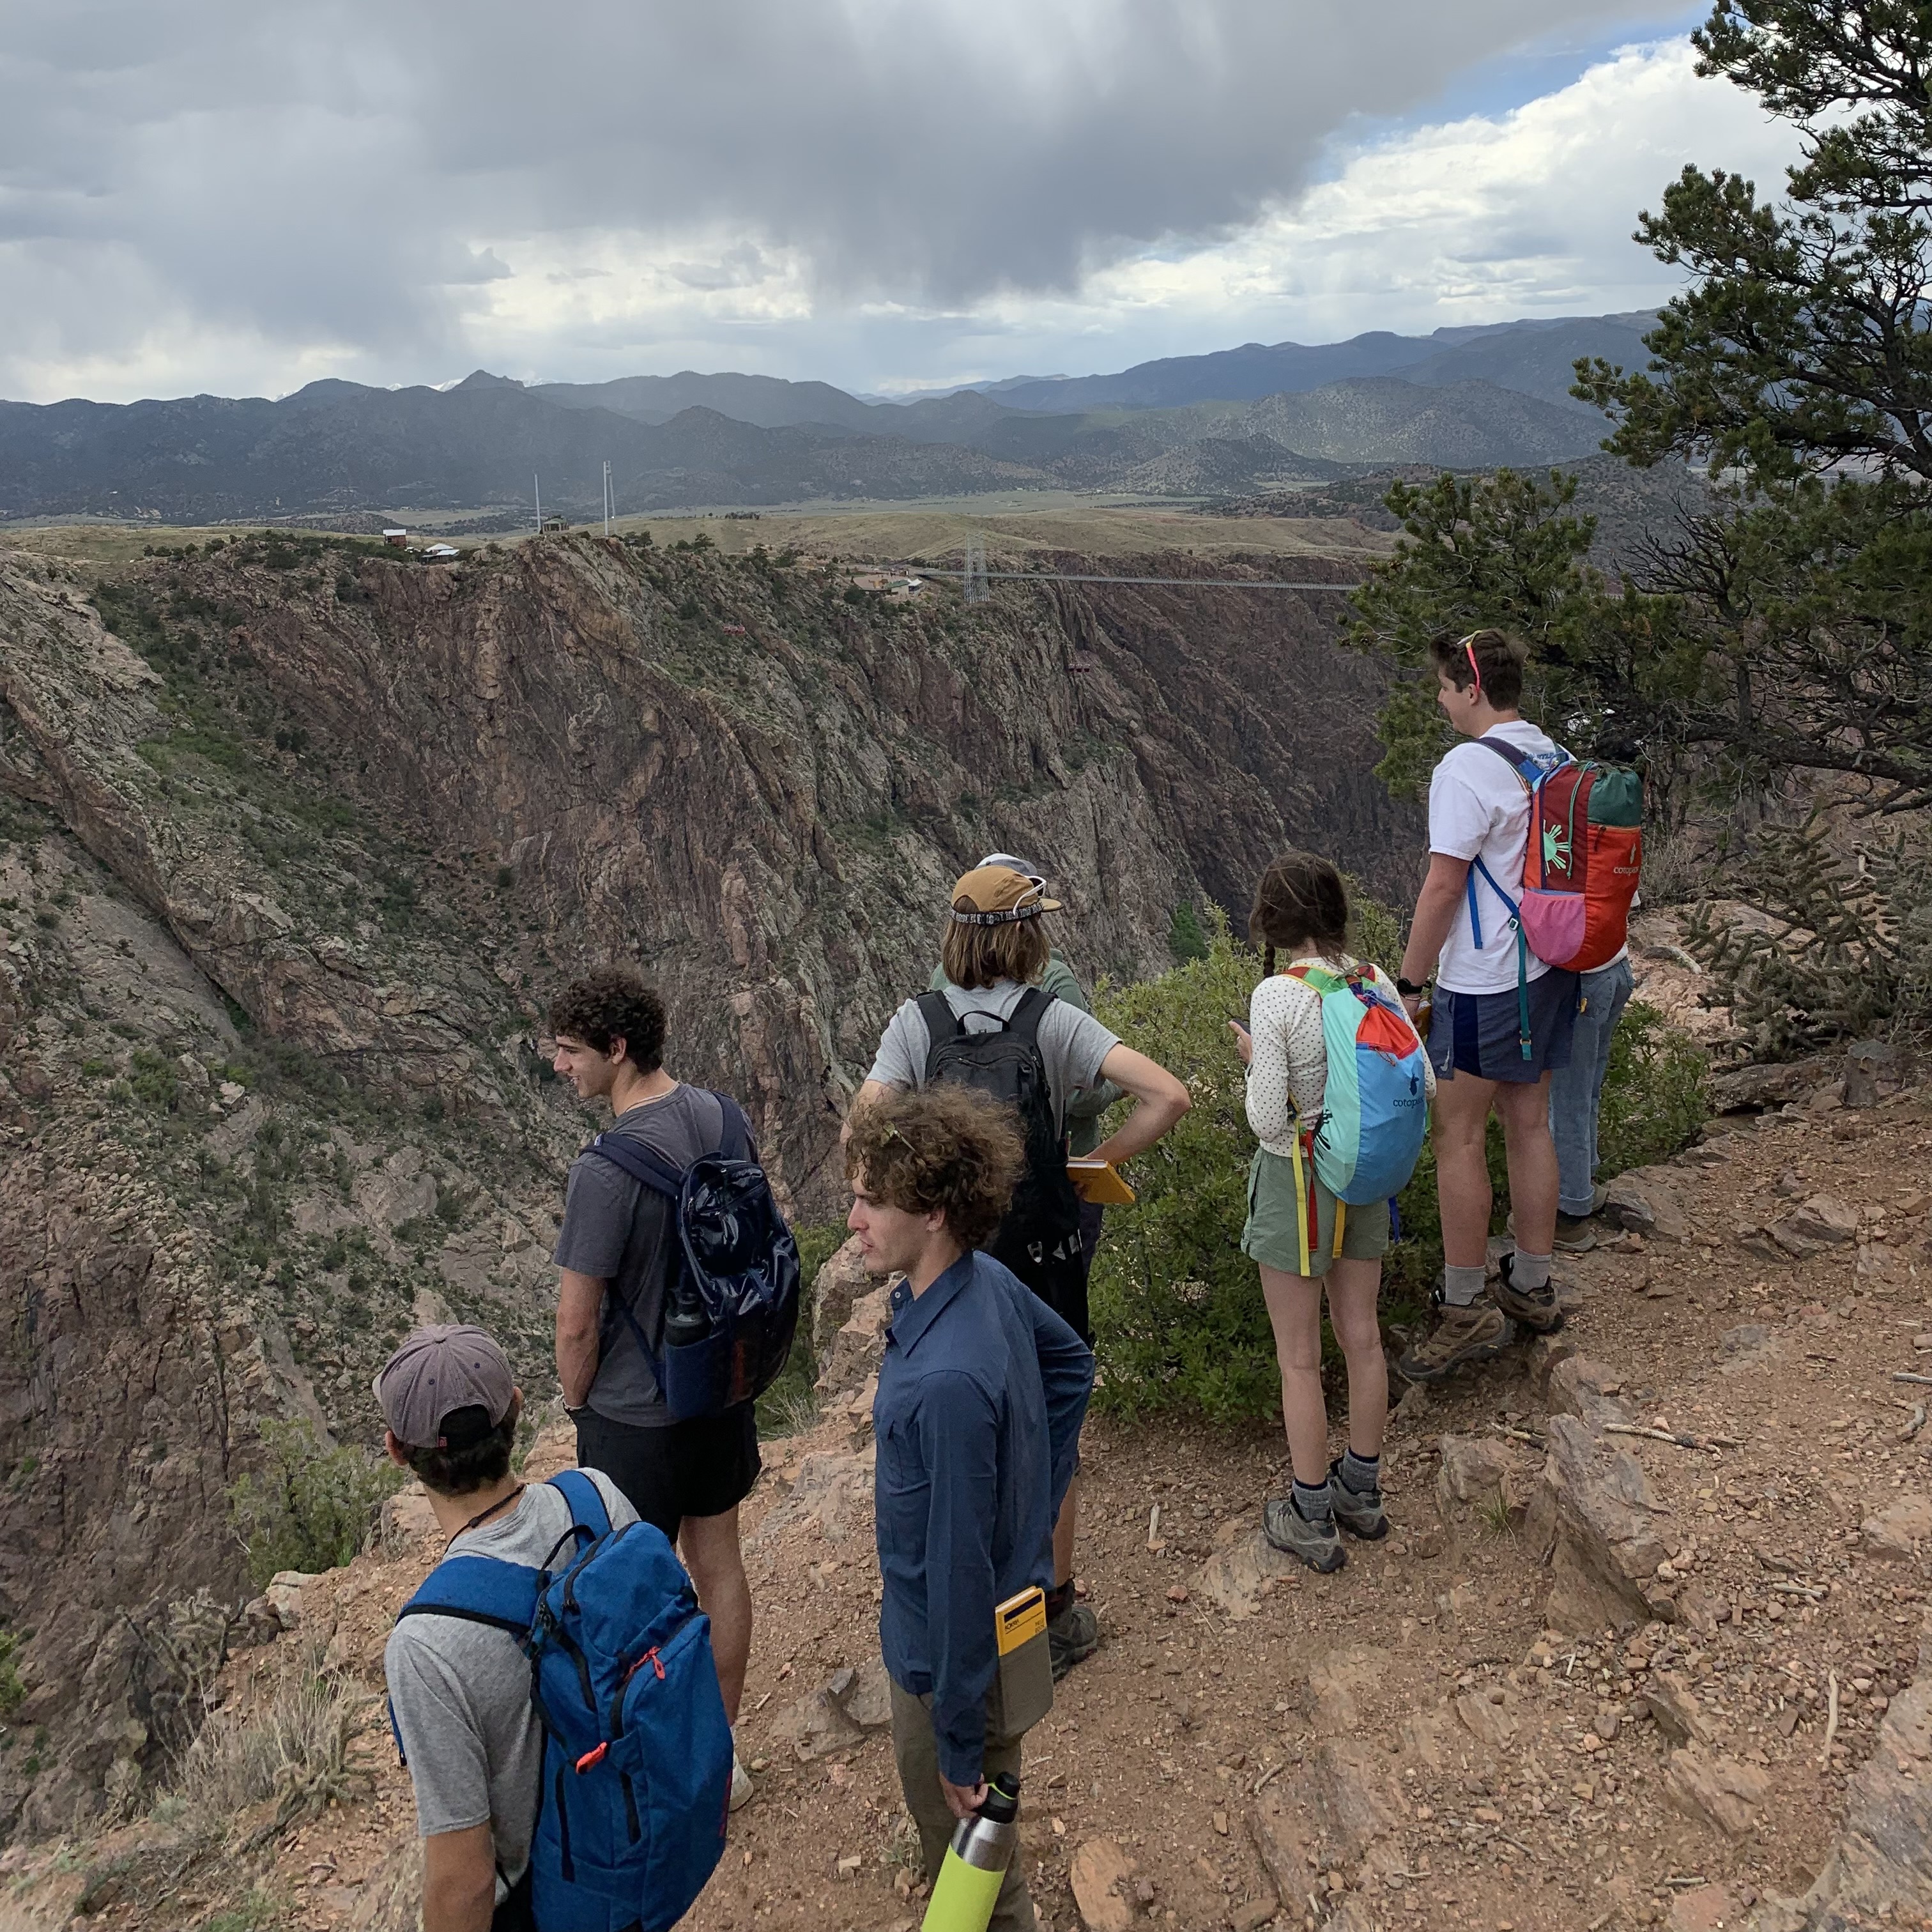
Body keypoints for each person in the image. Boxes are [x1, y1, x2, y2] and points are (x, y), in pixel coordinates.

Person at [855, 862, 1188, 1676]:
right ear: (1028, 936)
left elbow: (864, 1125)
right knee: (1046, 1430)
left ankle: (953, 1609)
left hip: (949, 1263)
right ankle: (1052, 1608)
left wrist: (920, 1189)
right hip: (1043, 1258)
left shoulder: (917, 1022)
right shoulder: (1053, 1021)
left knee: (957, 1432)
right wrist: (1094, 1161)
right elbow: (1169, 1096)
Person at [845, 1084, 1094, 1932]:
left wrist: (953, 1740)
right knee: (992, 1846)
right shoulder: (984, 1283)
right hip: (1006, 1633)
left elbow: (954, 1579)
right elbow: (1070, 1369)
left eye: (874, 1200)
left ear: (937, 1213)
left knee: (976, 1872)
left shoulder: (945, 1382)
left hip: (947, 1667)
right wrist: (1033, 1506)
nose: (854, 1219)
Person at [547, 968, 757, 1806]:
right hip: (721, 1391)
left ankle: (653, 1775)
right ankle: (722, 1759)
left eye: (569, 1051)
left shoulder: (603, 1171)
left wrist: (576, 1407)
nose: (558, 1064)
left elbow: (575, 1325)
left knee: (631, 1604)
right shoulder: (722, 1116)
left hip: (635, 1420)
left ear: (618, 1049)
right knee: (722, 1572)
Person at [379, 1324, 640, 1932]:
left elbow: (465, 1878)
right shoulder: (595, 1499)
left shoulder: (425, 1644)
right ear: (516, 1410)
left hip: (552, 1899)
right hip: (636, 1837)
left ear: (398, 1451)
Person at [1230, 853, 1434, 1572]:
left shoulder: (1276, 997)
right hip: (1366, 1174)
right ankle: (1363, 1490)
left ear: (1274, 922)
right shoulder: (1372, 979)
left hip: (1299, 1179)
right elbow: (1425, 1081)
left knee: (1299, 1358)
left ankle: (1310, 1511)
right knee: (1364, 1340)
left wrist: (1260, 1062)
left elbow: (1264, 1120)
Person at [1393, 629, 1580, 1380]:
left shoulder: (1467, 768)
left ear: (1472, 688)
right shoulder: (1551, 755)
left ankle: (1465, 1305)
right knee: (1530, 1123)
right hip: (1552, 966)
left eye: (1443, 686)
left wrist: (1409, 982)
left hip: (1489, 977)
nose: (1439, 699)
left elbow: (1444, 886)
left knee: (1459, 1135)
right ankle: (1531, 1285)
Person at [929, 851, 1124, 1270]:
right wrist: (1116, 1087)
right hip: (1057, 1179)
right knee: (1053, 1313)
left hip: (971, 1179)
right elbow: (1081, 1097)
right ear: (1023, 923)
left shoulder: (939, 989)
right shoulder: (1055, 984)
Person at [1544, 944, 1635, 1252]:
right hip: (1615, 969)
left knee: (1568, 1101)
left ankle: (1569, 1216)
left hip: (1579, 983)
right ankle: (1584, 1182)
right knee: (1586, 1092)